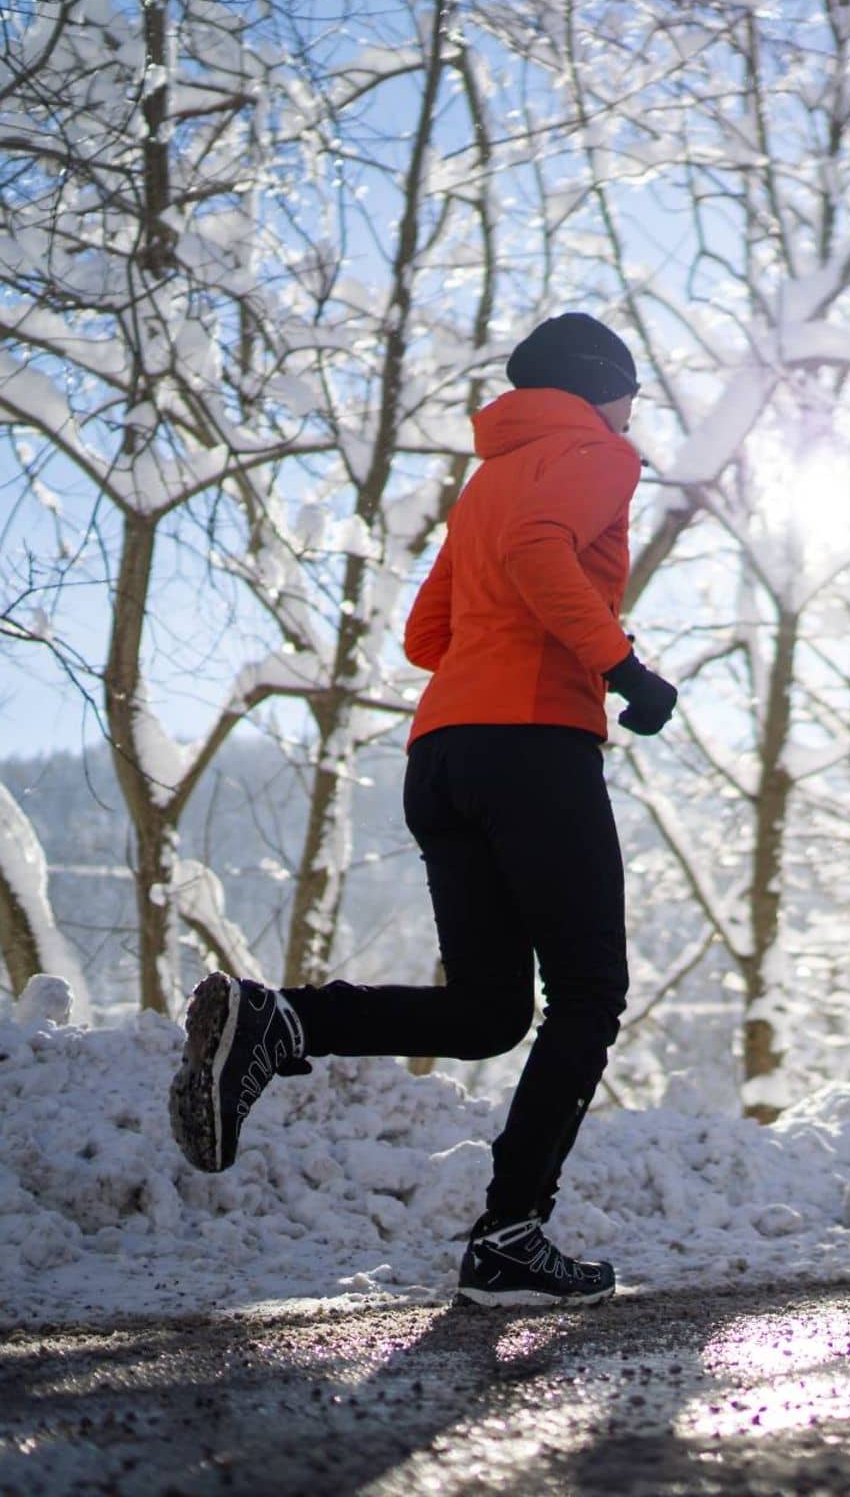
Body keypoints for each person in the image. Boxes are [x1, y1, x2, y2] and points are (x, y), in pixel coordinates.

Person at [168, 312, 678, 1307]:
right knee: (588, 994)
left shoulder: (492, 477)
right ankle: (510, 1236)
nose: (631, 412)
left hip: (443, 753)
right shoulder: (597, 454)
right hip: (533, 748)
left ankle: (281, 1020)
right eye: (629, 391)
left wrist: (504, 656)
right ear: (598, 385)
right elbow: (539, 557)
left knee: (490, 1012)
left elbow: (425, 633)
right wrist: (623, 669)